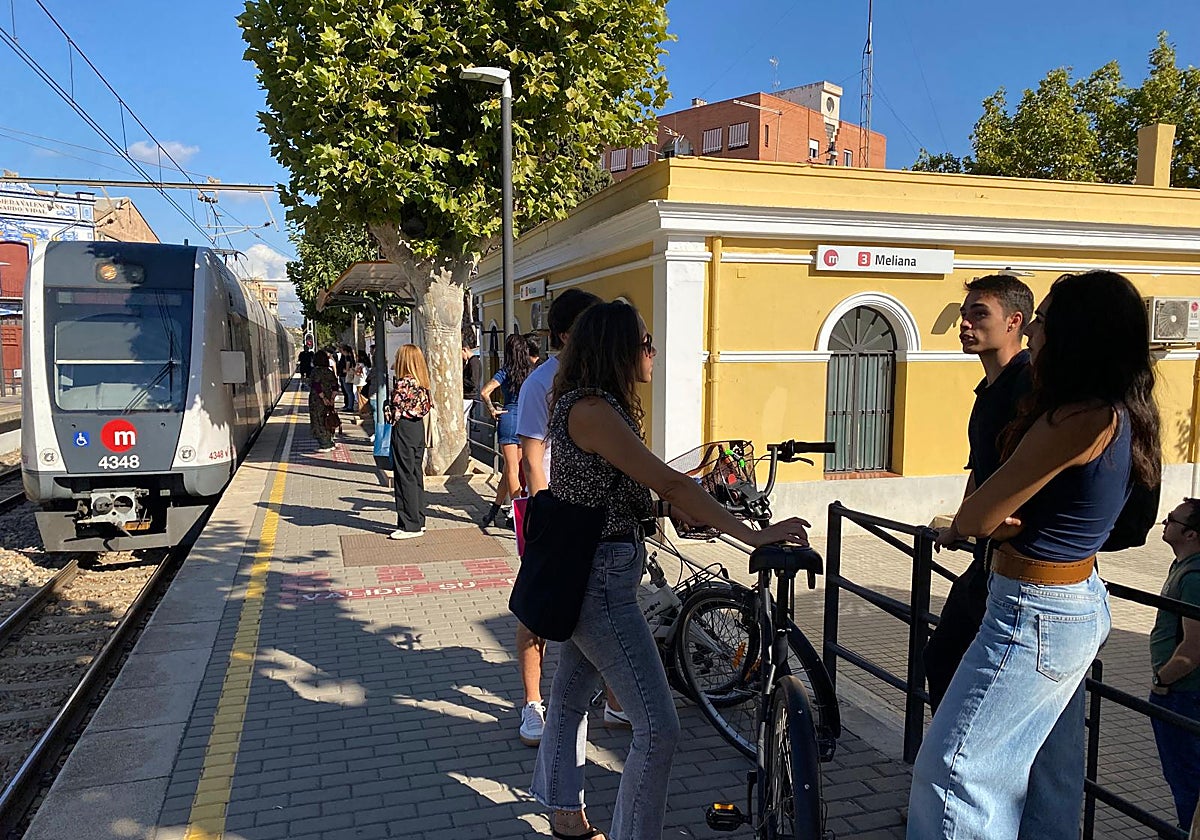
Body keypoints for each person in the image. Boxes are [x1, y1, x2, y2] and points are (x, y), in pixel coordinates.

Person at [530, 300, 810, 840]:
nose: (652, 352)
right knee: (658, 728)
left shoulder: (591, 405)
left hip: (594, 572)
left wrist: (664, 508)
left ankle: (565, 815)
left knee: (567, 699)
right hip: (601, 583)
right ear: (617, 349)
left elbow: (614, 493)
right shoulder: (593, 410)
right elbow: (672, 483)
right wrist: (750, 535)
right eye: (644, 342)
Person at [910, 270, 1162, 840]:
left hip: (1036, 608)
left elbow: (977, 515)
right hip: (1064, 599)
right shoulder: (1122, 409)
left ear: (1072, 334)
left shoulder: (1072, 417)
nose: (1036, 332)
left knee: (956, 775)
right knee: (1011, 764)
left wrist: (987, 523)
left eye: (1044, 320)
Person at [924, 275, 1033, 712]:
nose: (965, 324)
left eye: (979, 314)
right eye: (964, 314)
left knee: (977, 675)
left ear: (1015, 322)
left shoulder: (1028, 388)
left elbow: (1031, 477)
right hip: (984, 559)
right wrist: (960, 524)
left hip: (1019, 564)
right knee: (942, 657)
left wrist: (996, 523)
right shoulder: (988, 392)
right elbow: (982, 472)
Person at [513, 289, 601, 747]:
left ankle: (614, 698)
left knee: (596, 603)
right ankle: (532, 704)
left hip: (592, 514)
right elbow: (532, 457)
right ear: (566, 334)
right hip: (551, 514)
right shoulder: (539, 384)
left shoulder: (601, 381)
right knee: (537, 606)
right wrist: (548, 515)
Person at [1150, 497, 1200, 832]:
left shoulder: (1195, 577)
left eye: (1172, 519)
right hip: (1179, 691)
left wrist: (1163, 679)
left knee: (1187, 777)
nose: (1165, 523)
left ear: (1192, 534)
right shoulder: (1181, 566)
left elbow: (1195, 647)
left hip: (1184, 693)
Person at [479, 333, 534, 529]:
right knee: (512, 469)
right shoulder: (531, 371)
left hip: (508, 417)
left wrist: (492, 409)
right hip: (526, 420)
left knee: (511, 468)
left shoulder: (505, 371)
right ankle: (494, 511)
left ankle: (516, 513)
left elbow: (485, 392)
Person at [386, 344, 432, 540]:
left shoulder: (403, 383)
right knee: (415, 473)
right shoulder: (422, 382)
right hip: (417, 429)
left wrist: (387, 408)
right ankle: (418, 520)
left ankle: (409, 525)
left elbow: (394, 413)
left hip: (404, 428)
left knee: (404, 475)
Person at [307, 349, 339, 452]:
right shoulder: (329, 371)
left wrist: (323, 398)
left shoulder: (316, 371)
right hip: (329, 399)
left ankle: (325, 444)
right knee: (329, 418)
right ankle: (330, 441)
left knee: (319, 420)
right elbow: (335, 386)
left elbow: (316, 385)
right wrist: (332, 399)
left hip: (317, 400)